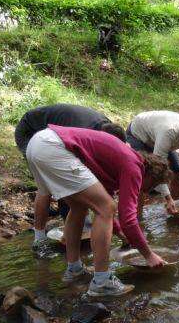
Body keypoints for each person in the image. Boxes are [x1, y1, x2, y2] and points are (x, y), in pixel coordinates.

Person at [26, 125, 170, 296]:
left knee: (79, 207)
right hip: (54, 148)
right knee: (107, 207)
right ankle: (102, 281)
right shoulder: (134, 166)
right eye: (150, 186)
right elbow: (127, 218)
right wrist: (148, 255)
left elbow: (103, 208)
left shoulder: (118, 162)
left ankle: (74, 270)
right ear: (150, 175)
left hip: (38, 144)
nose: (145, 191)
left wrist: (121, 233)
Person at [14, 104, 126, 255]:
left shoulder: (108, 128)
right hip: (31, 132)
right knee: (47, 189)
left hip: (48, 137)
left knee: (66, 186)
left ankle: (68, 241)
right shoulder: (83, 131)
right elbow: (71, 182)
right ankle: (40, 241)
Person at [126, 111, 179, 214]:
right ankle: (138, 219)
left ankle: (176, 208)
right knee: (142, 179)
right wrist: (167, 197)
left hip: (157, 137)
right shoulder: (169, 133)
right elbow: (157, 171)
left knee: (178, 172)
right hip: (138, 134)